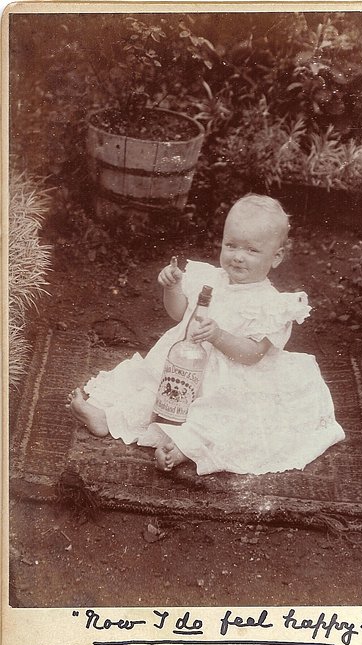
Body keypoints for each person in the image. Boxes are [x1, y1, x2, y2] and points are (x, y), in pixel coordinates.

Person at [68, 194, 345, 475]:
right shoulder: (207, 279)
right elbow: (179, 313)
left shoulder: (271, 305)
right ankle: (108, 418)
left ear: (277, 257)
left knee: (222, 414)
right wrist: (172, 288)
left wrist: (218, 336)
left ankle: (184, 447)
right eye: (231, 245)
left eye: (252, 250)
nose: (238, 256)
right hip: (183, 367)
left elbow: (252, 354)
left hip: (230, 379)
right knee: (153, 392)